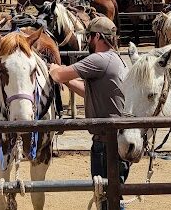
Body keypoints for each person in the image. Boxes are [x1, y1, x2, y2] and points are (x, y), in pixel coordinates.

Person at [48, 16, 130, 210]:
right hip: (116, 140)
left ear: (98, 36)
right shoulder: (115, 59)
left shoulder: (98, 59)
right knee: (112, 195)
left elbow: (57, 74)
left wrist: (53, 67)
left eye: (90, 36)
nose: (88, 41)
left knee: (106, 197)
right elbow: (88, 92)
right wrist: (66, 81)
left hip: (106, 142)